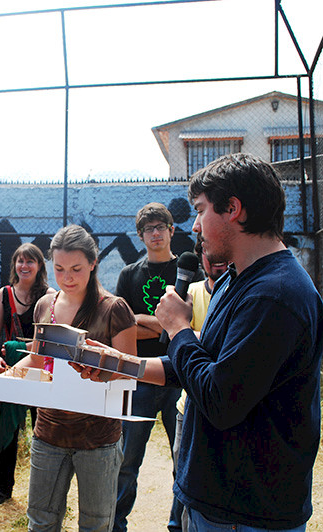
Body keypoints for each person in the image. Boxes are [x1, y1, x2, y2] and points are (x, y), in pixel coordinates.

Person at [77, 153, 323, 531]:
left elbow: (219, 398)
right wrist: (116, 364)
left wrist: (177, 328)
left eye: (201, 210)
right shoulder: (235, 280)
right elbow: (198, 365)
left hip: (247, 514)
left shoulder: (276, 294)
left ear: (233, 209)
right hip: (215, 504)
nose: (194, 226)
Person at [10, 225, 137, 531]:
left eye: (76, 269)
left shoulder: (114, 309)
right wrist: (3, 379)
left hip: (98, 438)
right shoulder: (45, 305)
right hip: (48, 432)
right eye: (59, 269)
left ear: (94, 263)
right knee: (40, 520)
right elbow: (38, 358)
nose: (67, 278)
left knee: (95, 524)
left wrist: (101, 371)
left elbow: (130, 374)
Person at [113, 202, 202, 532]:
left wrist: (147, 321)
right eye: (148, 229)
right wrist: (167, 324)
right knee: (127, 461)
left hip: (182, 376)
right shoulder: (129, 274)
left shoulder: (191, 272)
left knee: (184, 461)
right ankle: (116, 524)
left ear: (171, 230)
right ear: (140, 236)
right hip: (141, 376)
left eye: (160, 227)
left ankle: (178, 525)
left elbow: (193, 324)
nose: (155, 233)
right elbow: (122, 327)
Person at [0, 243, 54, 506]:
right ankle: (3, 488)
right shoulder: (5, 294)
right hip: (11, 370)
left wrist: (20, 347)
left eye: (30, 262)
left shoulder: (49, 296)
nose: (24, 266)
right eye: (20, 261)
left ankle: (45, 490)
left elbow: (51, 338)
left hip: (40, 369)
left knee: (43, 429)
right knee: (8, 430)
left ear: (40, 266)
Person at [172, 236, 228, 531]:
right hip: (187, 403)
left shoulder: (238, 291)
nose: (214, 259)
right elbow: (185, 348)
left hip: (215, 401)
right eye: (206, 252)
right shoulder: (191, 291)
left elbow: (201, 346)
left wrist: (183, 330)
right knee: (182, 479)